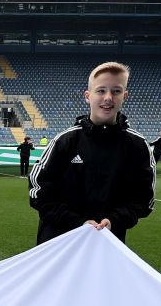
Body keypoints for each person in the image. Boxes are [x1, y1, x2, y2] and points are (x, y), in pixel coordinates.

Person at [27, 61, 154, 246]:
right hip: (58, 243)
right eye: (101, 90)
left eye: (116, 91)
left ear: (125, 96)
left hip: (107, 244)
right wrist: (78, 223)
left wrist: (114, 220)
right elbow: (39, 191)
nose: (108, 97)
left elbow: (144, 200)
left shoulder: (137, 146)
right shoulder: (65, 141)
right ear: (88, 96)